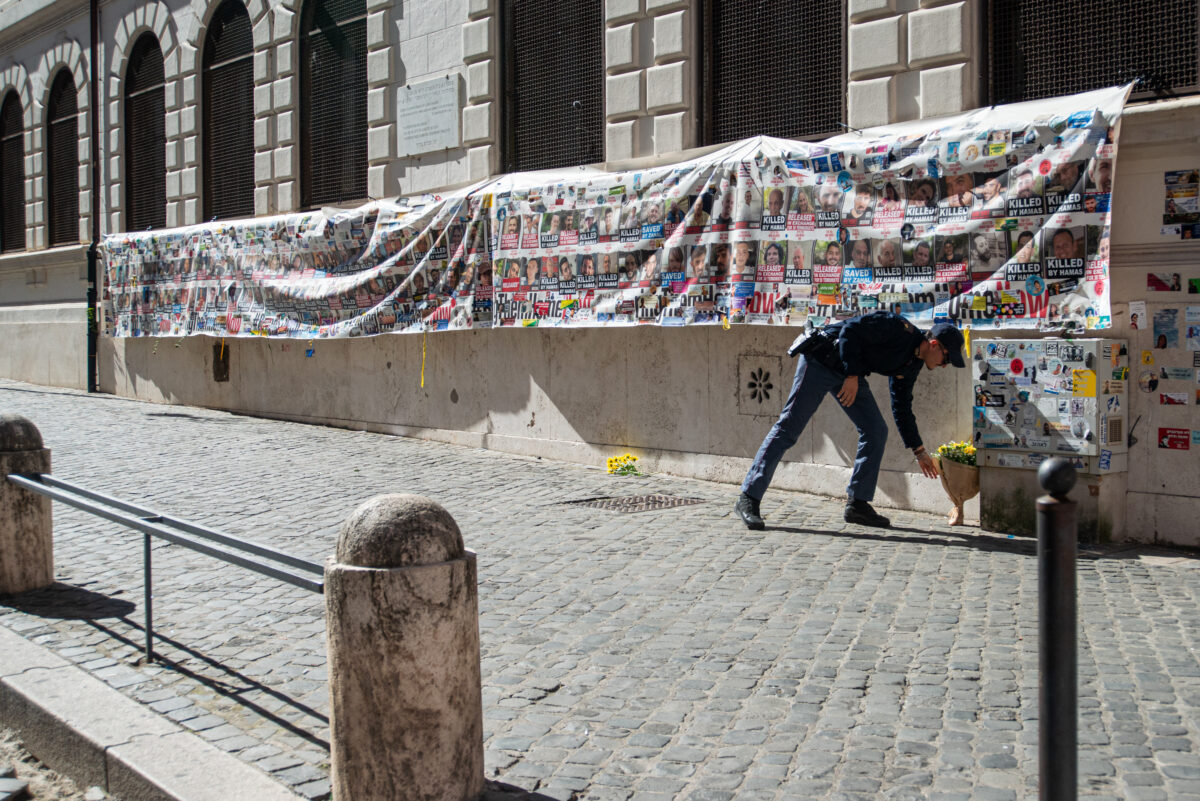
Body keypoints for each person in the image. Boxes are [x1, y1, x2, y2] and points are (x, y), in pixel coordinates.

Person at [735, 313, 967, 530]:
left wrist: (919, 451)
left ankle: (858, 504)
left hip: (847, 373)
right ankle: (749, 497)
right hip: (821, 359)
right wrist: (853, 375)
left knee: (876, 430)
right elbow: (850, 330)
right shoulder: (897, 328)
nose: (945, 365)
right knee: (789, 427)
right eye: (947, 359)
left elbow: (902, 405)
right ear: (934, 345)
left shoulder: (912, 363)